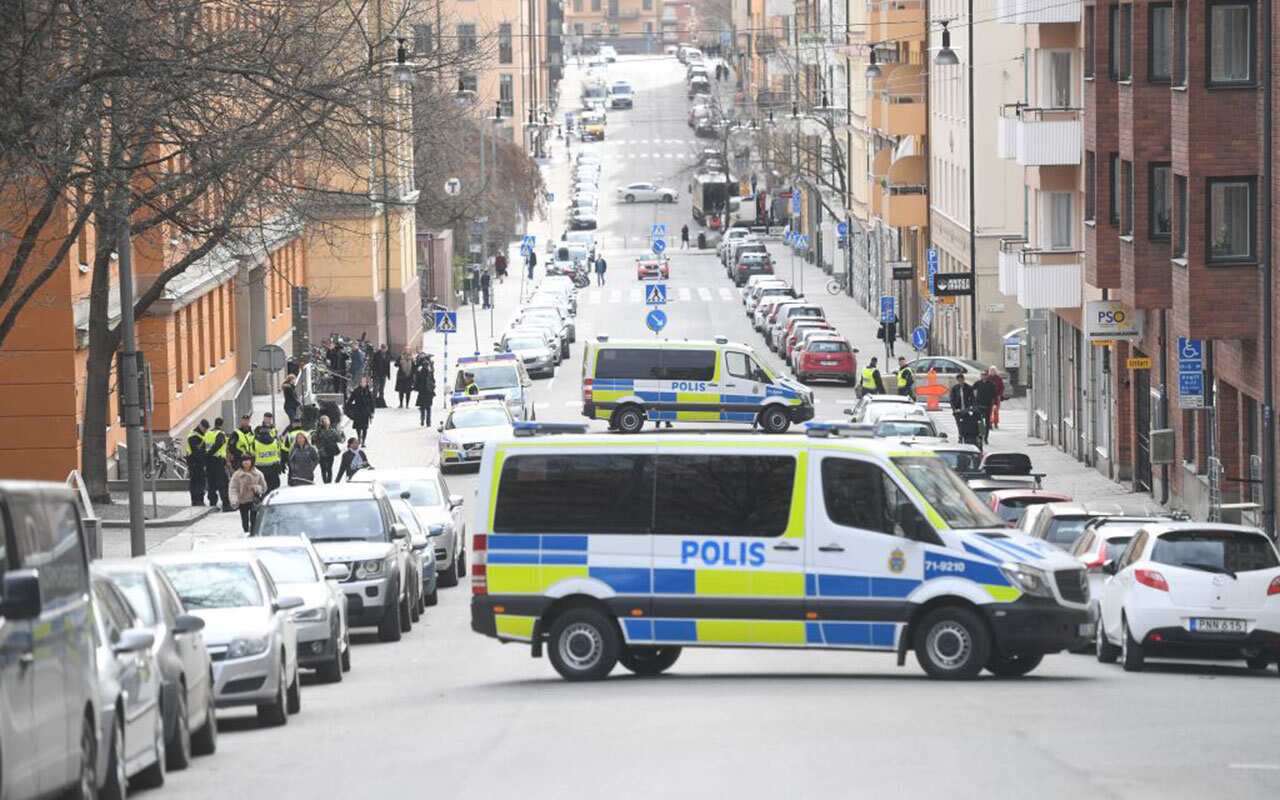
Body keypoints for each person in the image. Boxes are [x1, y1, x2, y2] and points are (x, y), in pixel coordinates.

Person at [229, 454, 267, 533]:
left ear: (251, 462)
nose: (246, 462)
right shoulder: (237, 475)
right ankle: (246, 532)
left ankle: (253, 533)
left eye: (248, 460)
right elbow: (233, 488)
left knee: (254, 519)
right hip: (242, 500)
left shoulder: (258, 474)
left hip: (254, 500)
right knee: (244, 520)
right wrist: (234, 499)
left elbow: (264, 487)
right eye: (244, 461)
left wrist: (257, 488)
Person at [203, 417, 232, 511]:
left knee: (211, 483)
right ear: (222, 424)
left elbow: (204, 445)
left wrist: (207, 455)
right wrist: (210, 453)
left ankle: (213, 503)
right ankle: (226, 505)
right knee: (222, 483)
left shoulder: (208, 433)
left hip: (209, 462)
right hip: (218, 462)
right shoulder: (220, 434)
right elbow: (218, 445)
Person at [252, 414, 283, 493]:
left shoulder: (274, 430)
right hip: (270, 466)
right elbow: (278, 450)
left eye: (269, 418)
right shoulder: (258, 429)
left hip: (263, 466)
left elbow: (251, 454)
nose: (268, 419)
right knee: (272, 485)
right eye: (267, 418)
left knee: (264, 486)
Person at [184, 419, 210, 506]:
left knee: (200, 482)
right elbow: (197, 452)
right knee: (196, 482)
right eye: (205, 428)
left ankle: (199, 500)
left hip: (198, 463)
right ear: (200, 426)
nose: (205, 431)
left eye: (206, 429)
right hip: (194, 463)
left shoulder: (201, 435)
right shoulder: (194, 436)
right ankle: (196, 500)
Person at [312, 415, 343, 483]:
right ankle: (325, 482)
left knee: (329, 468)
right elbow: (313, 441)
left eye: (326, 420)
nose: (325, 422)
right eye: (323, 421)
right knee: (323, 469)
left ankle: (328, 482)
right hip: (321, 452)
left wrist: (341, 433)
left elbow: (340, 440)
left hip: (330, 452)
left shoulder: (332, 431)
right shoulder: (317, 431)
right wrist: (317, 430)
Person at [346, 375, 376, 444]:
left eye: (364, 382)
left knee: (365, 427)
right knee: (358, 427)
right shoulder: (356, 391)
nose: (363, 383)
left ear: (366, 383)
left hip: (366, 412)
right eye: (362, 382)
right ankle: (359, 437)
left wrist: (372, 411)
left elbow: (372, 403)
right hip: (358, 411)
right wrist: (351, 408)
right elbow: (350, 401)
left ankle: (363, 441)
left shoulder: (368, 392)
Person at [973, 371, 998, 445]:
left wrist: (994, 404)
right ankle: (981, 436)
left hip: (988, 405)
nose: (983, 376)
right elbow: (972, 390)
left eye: (985, 375)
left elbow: (994, 395)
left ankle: (986, 438)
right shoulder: (978, 383)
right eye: (982, 375)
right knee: (980, 422)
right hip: (979, 405)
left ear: (987, 376)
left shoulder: (991, 384)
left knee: (987, 422)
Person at [414, 356, 436, 426]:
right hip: (428, 392)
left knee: (422, 408)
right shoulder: (430, 373)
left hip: (422, 392)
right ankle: (428, 422)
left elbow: (416, 382)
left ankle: (423, 420)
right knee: (428, 408)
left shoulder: (420, 373)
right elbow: (433, 381)